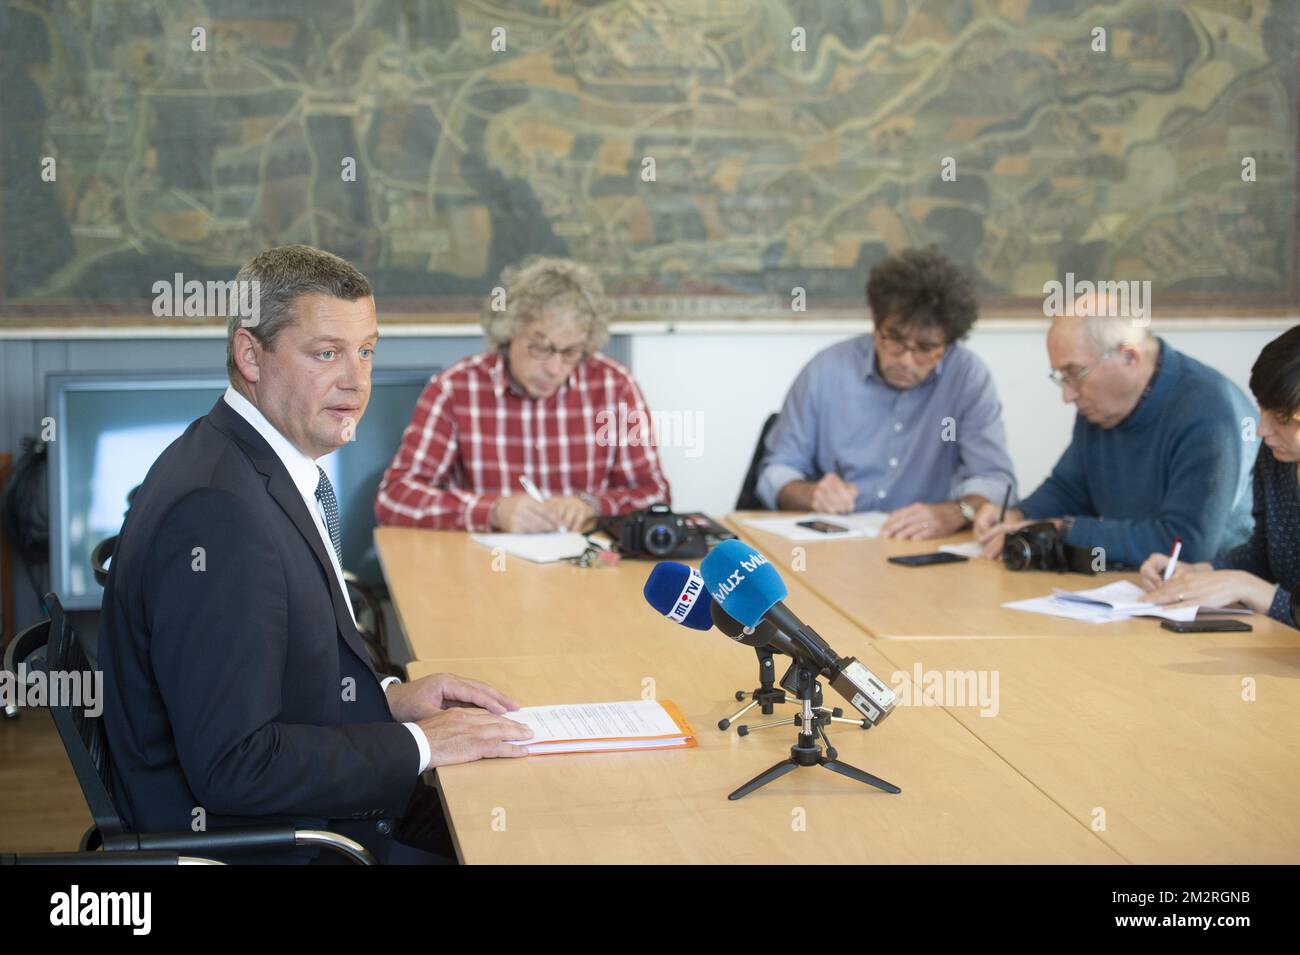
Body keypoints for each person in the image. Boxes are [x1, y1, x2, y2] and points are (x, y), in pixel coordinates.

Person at [100, 245, 531, 865]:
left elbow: (283, 671)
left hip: (314, 807)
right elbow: (234, 765)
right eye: (326, 353)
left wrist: (386, 698)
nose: (357, 382)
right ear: (251, 355)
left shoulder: (247, 461)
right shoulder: (218, 514)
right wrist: (418, 744)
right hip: (275, 843)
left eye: (366, 351)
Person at [375, 257, 670, 533]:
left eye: (570, 352)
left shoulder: (614, 386)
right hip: (482, 571)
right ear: (509, 331)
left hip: (583, 570)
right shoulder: (455, 389)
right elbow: (394, 499)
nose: (555, 369)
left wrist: (591, 505)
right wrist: (492, 511)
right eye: (540, 348)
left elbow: (655, 495)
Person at [756, 246, 1016, 539]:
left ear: (948, 345)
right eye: (895, 339)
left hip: (925, 545)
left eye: (926, 348)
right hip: (836, 547)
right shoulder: (826, 371)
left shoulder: (968, 377)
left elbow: (996, 479)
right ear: (875, 325)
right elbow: (775, 472)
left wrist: (955, 512)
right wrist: (811, 493)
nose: (906, 360)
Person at [975, 311, 1256, 567]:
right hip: (1132, 585)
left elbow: (1185, 545)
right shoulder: (1103, 408)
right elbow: (1071, 488)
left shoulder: (1209, 413)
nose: (1067, 395)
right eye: (1061, 377)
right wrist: (1018, 516)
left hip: (1216, 600)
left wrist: (1062, 531)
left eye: (1075, 374)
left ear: (1129, 356)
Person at [1139, 325, 1300, 626]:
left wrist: (1251, 589)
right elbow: (1266, 553)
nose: (1262, 429)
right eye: (1262, 408)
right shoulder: (1277, 457)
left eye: (1281, 418)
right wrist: (1200, 572)